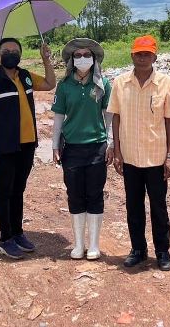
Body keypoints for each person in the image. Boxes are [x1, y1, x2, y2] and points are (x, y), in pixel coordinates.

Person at [108, 35, 170, 271]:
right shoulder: (120, 83)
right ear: (132, 55)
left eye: (147, 54)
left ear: (154, 57)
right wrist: (117, 151)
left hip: (156, 156)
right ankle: (138, 249)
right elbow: (116, 118)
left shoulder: (166, 84)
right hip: (129, 156)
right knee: (133, 205)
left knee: (158, 206)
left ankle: (162, 251)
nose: (142, 58)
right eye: (138, 54)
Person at [0, 38, 56, 259]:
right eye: (6, 51)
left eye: (15, 51)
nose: (11, 54)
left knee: (18, 190)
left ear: (20, 55)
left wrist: (46, 59)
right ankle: (5, 238)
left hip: (27, 145)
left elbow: (50, 84)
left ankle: (18, 233)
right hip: (4, 147)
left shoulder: (27, 77)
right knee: (3, 192)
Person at [51, 38, 113, 260]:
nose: (82, 58)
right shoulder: (65, 85)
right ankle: (78, 245)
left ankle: (94, 245)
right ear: (71, 60)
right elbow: (59, 118)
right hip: (72, 148)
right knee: (74, 195)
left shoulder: (103, 84)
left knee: (95, 195)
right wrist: (54, 144)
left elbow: (109, 118)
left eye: (87, 55)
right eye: (77, 55)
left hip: (97, 146)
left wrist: (111, 143)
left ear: (94, 58)